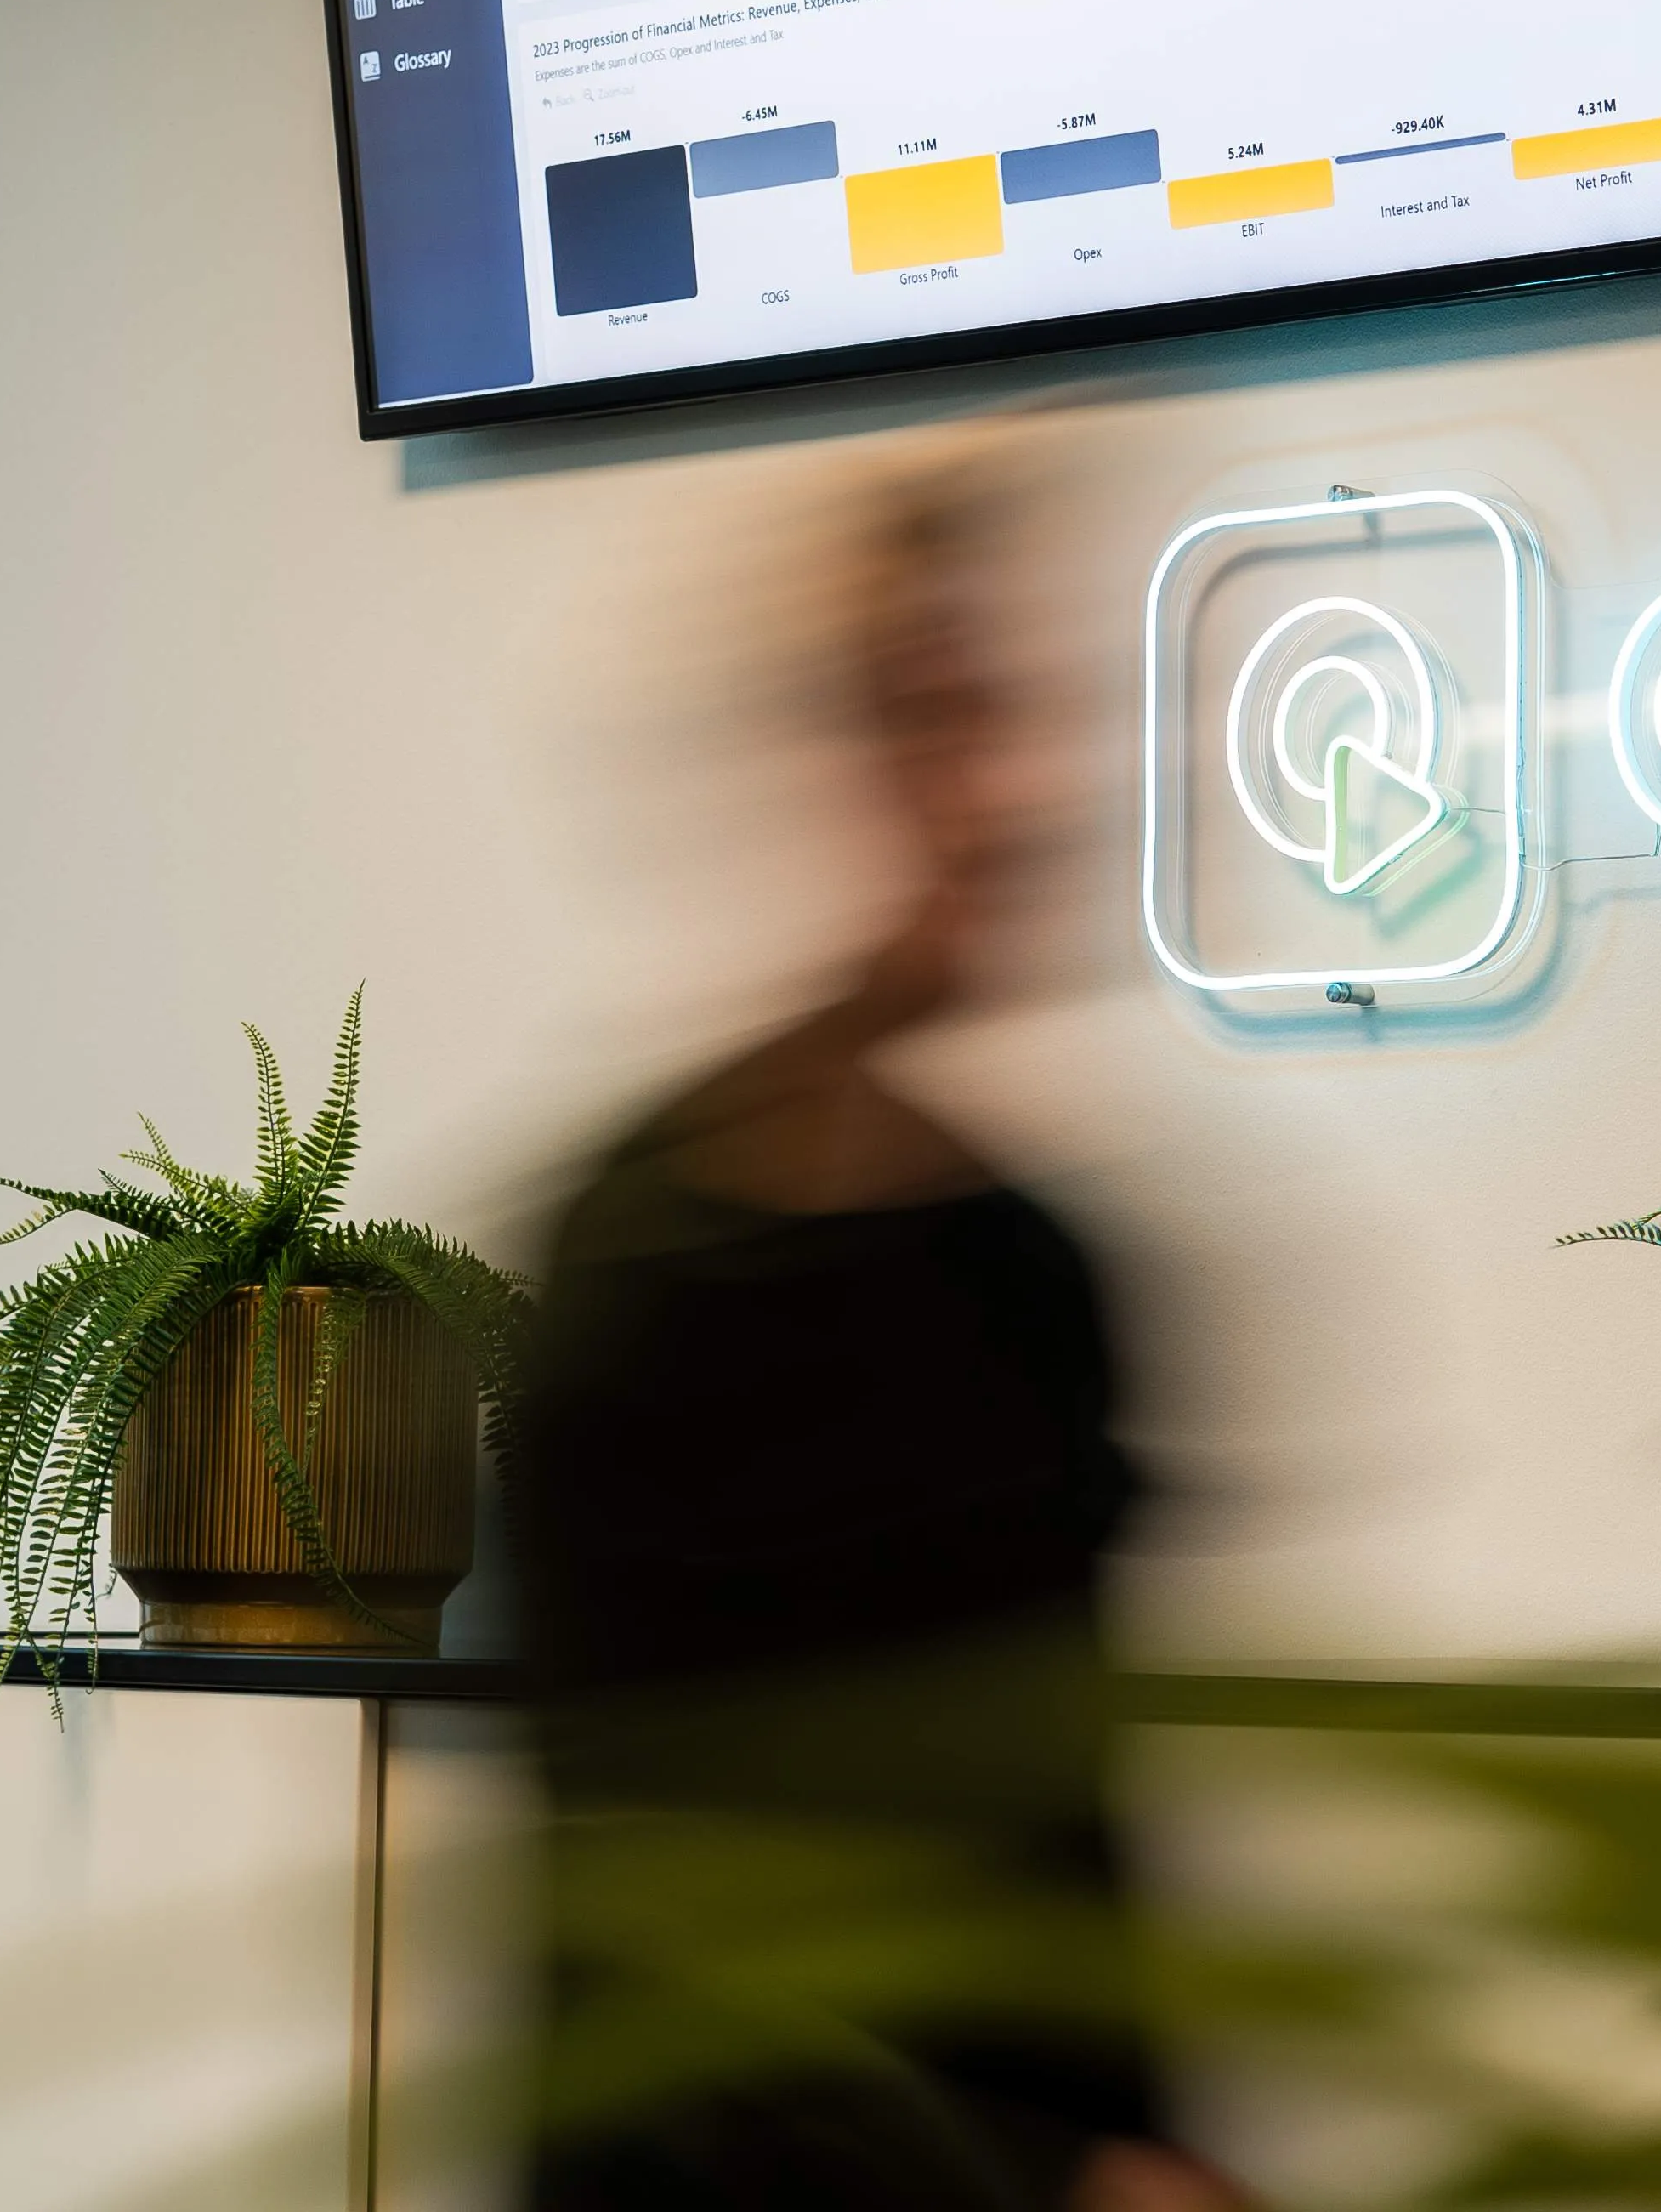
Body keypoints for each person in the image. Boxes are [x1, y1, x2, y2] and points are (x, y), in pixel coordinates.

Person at [522, 455, 1241, 2211]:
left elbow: (1067, 1864)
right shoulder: (632, 1276)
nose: (1006, 788)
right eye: (931, 712)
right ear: (801, 770)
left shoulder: (1032, 1265)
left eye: (1015, 708)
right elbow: (662, 1919)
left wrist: (1117, 2147)